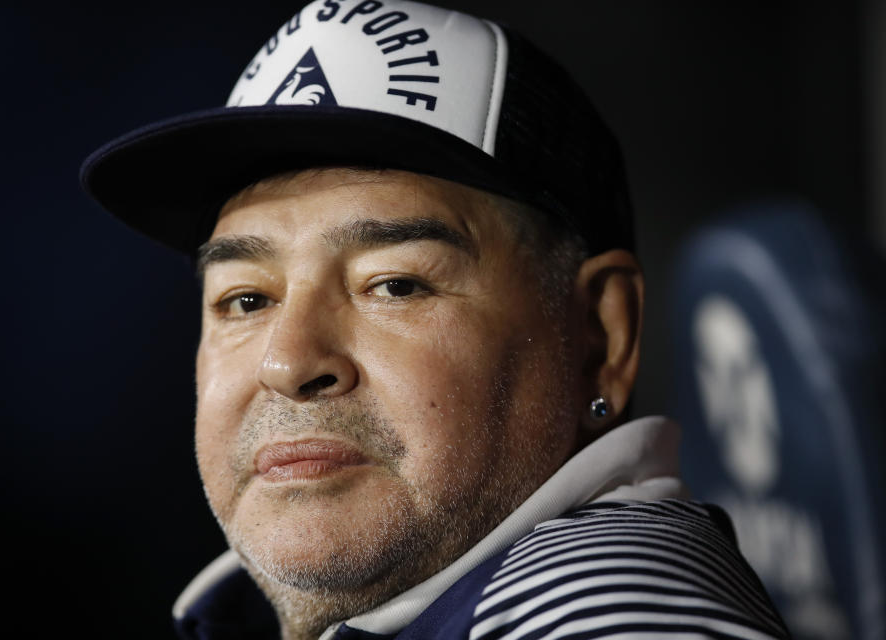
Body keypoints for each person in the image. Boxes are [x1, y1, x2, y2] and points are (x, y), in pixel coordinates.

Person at [81, 1, 790, 638]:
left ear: (600, 338)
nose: (288, 362)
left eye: (394, 285)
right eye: (247, 300)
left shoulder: (603, 607)